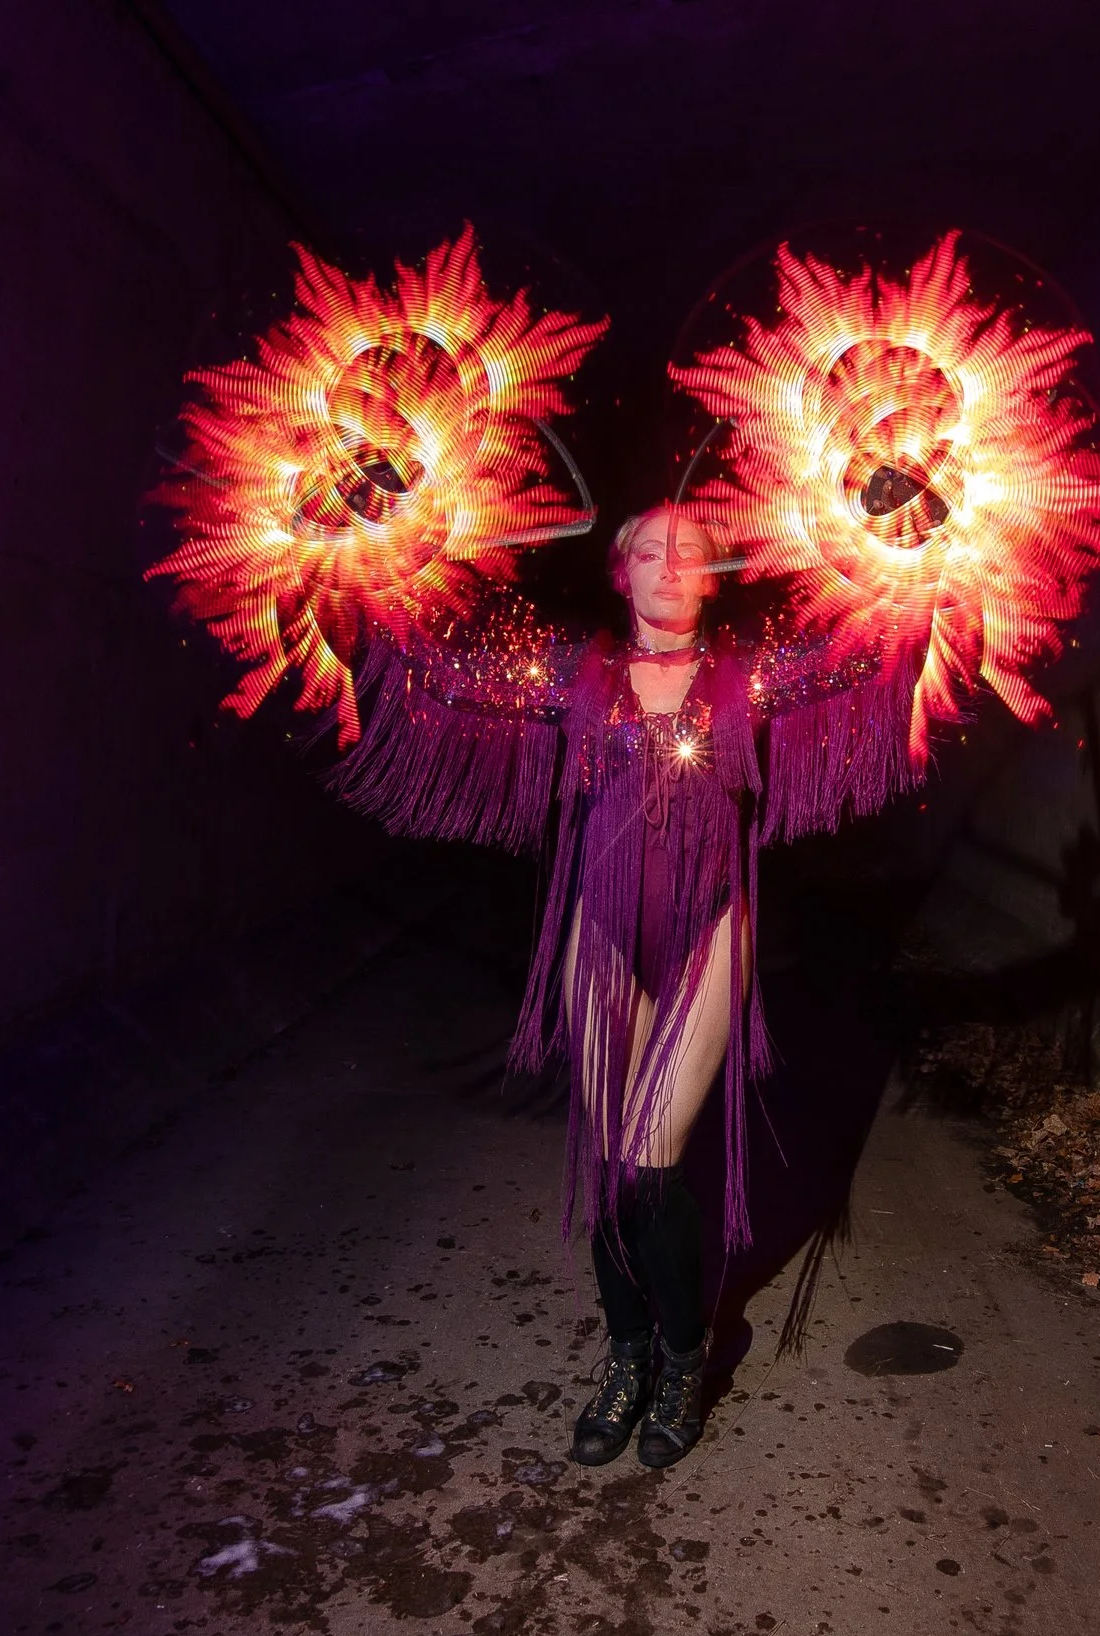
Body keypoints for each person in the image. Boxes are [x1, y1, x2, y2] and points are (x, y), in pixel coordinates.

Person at [329, 506, 919, 1467]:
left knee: (652, 1167)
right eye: (650, 550)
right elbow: (431, 661)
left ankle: (684, 1357)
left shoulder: (749, 676)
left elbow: (880, 638)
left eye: (691, 552)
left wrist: (911, 524)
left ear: (715, 575)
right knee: (610, 1173)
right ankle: (627, 1349)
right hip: (600, 934)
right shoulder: (574, 674)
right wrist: (366, 545)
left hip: (709, 938)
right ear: (619, 571)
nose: (671, 566)